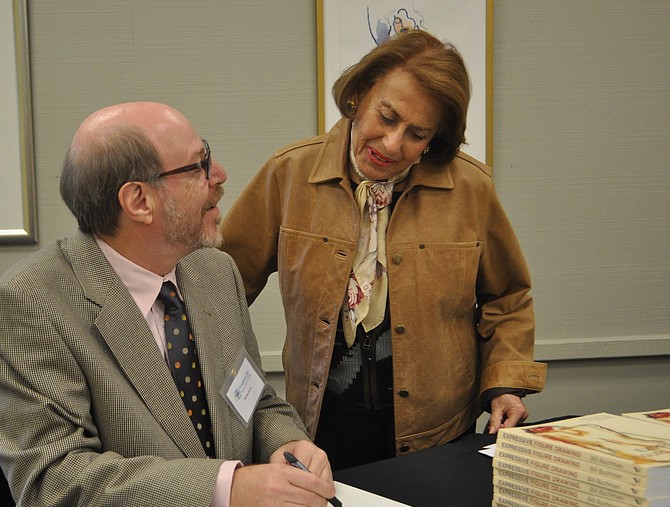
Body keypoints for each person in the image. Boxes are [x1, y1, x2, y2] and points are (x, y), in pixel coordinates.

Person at [0, 101, 336, 507]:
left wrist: (287, 445)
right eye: (199, 165)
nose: (220, 175)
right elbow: (53, 480)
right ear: (139, 201)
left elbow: (252, 399)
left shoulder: (214, 271)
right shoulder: (27, 304)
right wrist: (225, 491)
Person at [220, 30, 547, 471]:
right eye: (387, 117)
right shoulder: (290, 175)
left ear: (434, 139)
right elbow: (218, 287)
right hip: (322, 430)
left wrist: (505, 382)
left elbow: (507, 298)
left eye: (417, 133)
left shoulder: (470, 189)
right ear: (358, 96)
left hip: (440, 434)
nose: (392, 145)